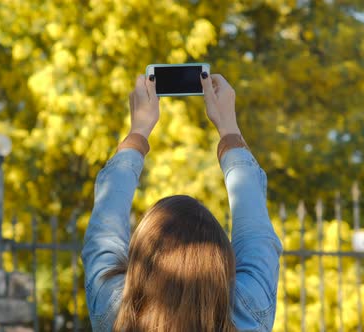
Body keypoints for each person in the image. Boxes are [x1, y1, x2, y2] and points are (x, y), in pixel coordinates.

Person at [82, 72, 282, 331]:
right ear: (220, 260)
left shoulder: (117, 314)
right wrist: (228, 127)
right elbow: (257, 234)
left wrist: (139, 130)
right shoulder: (246, 311)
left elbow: (104, 232)